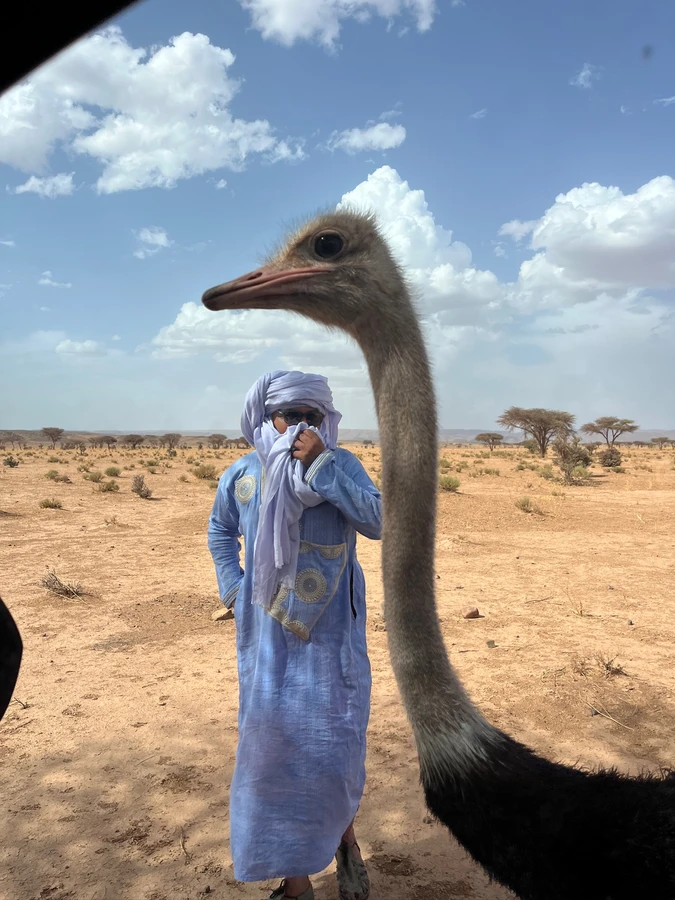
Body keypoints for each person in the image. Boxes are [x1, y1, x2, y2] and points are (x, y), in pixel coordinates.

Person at [208, 370, 382, 900]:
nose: (300, 427)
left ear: (324, 420)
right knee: (274, 751)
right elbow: (220, 531)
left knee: (335, 747)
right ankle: (297, 880)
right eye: (290, 417)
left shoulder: (341, 464)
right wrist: (235, 591)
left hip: (332, 643)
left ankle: (346, 845)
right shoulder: (243, 475)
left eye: (311, 417)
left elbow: (378, 519)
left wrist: (321, 464)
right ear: (268, 419)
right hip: (267, 646)